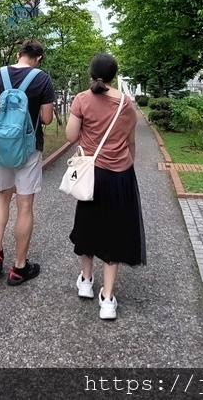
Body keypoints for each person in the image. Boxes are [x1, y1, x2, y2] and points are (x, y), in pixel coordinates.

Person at [65, 53, 145, 320]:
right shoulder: (126, 103)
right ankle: (108, 299)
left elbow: (70, 136)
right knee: (114, 232)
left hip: (91, 175)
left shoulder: (82, 99)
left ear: (91, 73)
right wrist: (124, 163)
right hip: (119, 176)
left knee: (88, 227)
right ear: (114, 75)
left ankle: (86, 282)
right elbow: (131, 143)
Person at [0, 38, 55, 285]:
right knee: (24, 206)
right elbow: (46, 119)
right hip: (29, 148)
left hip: (3, 148)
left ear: (18, 55)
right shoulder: (42, 79)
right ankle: (19, 268)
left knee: (2, 196)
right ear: (39, 58)